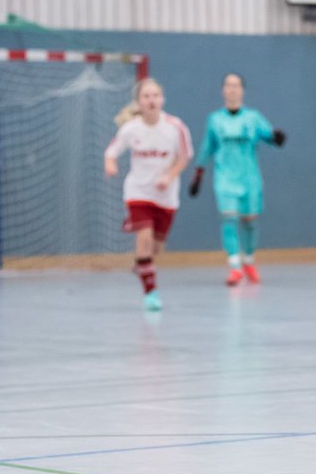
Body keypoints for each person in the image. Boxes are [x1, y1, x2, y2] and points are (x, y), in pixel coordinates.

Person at [104, 78, 193, 311]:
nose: (151, 100)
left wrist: (169, 176)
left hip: (166, 195)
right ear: (138, 102)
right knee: (144, 236)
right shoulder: (131, 129)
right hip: (138, 191)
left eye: (156, 95)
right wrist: (110, 164)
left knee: (155, 248)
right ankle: (150, 293)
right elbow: (111, 152)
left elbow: (184, 157)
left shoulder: (175, 127)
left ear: (162, 99)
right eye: (146, 96)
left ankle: (141, 264)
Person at [188, 73, 286, 285]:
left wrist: (277, 138)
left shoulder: (253, 117)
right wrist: (198, 173)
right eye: (228, 85)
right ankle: (234, 266)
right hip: (225, 178)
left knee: (249, 222)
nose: (232, 89)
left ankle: (248, 260)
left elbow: (269, 135)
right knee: (228, 219)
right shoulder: (215, 119)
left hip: (249, 179)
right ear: (223, 90)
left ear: (242, 90)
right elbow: (208, 146)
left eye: (236, 85)